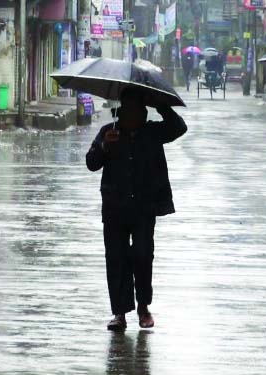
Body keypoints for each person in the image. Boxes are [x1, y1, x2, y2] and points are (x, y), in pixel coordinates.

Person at [86, 88, 188, 331]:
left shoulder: (153, 132)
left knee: (143, 256)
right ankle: (120, 313)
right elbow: (91, 163)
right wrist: (103, 146)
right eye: (130, 110)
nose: (135, 115)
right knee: (116, 259)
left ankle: (143, 307)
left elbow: (179, 127)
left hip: (144, 208)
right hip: (114, 209)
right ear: (122, 111)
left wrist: (161, 106)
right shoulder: (108, 132)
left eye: (140, 110)